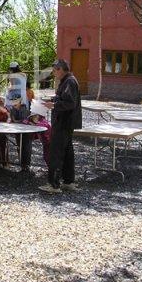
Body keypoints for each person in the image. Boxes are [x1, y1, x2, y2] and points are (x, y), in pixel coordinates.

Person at [40, 59, 82, 193]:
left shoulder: (69, 82)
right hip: (66, 122)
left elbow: (70, 103)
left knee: (56, 152)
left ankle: (53, 185)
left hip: (63, 122)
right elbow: (64, 98)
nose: (53, 74)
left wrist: (54, 105)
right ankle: (68, 182)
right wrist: (53, 100)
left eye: (54, 71)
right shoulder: (67, 81)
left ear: (61, 69)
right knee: (67, 152)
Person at [24, 100, 52, 168]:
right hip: (45, 142)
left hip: (50, 141)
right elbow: (25, 121)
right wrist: (30, 122)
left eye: (36, 116)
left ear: (39, 116)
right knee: (46, 156)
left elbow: (44, 125)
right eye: (33, 117)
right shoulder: (33, 121)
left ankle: (52, 168)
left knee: (49, 156)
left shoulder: (43, 121)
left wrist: (35, 124)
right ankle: (50, 168)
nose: (34, 118)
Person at [8, 95, 32, 171]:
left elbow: (24, 121)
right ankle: (22, 164)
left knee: (26, 147)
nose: (14, 102)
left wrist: (16, 121)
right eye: (13, 101)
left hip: (27, 131)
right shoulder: (12, 109)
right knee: (19, 146)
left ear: (20, 101)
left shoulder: (25, 109)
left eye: (16, 101)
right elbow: (13, 120)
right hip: (18, 131)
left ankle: (26, 164)